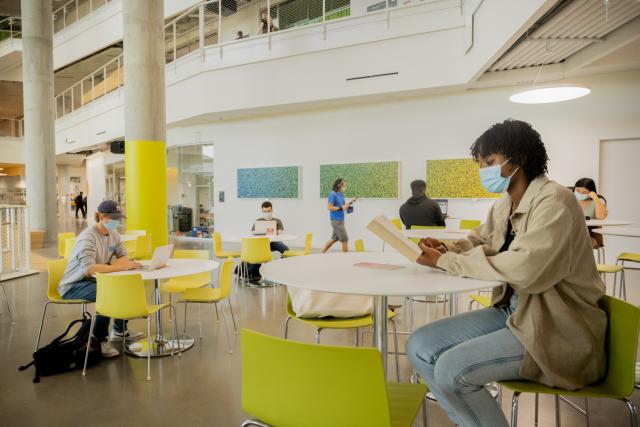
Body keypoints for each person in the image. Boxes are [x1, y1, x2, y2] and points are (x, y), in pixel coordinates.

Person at [406, 119, 606, 427]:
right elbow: (481, 239)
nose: (483, 171)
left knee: (451, 370)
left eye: (489, 162)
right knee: (418, 346)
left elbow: (524, 269)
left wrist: (445, 262)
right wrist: (448, 248)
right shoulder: (503, 204)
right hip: (512, 313)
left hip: (555, 328)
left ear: (518, 158)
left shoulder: (556, 201)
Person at [58, 200, 143, 358]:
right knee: (107, 293)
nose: (117, 222)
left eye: (119, 218)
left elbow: (124, 257)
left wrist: (121, 264)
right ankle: (99, 340)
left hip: (93, 279)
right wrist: (120, 266)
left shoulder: (114, 234)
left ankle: (120, 330)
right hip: (73, 285)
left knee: (121, 286)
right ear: (101, 216)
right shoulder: (88, 237)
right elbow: (90, 269)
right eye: (113, 218)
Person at [245, 201, 289, 282]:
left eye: (268, 211)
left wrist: (275, 231)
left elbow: (281, 233)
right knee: (256, 253)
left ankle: (284, 271)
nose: (267, 213)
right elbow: (252, 233)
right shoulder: (258, 221)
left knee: (285, 249)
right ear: (262, 211)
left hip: (274, 242)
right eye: (265, 211)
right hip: (261, 243)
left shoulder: (277, 220)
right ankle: (252, 273)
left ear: (272, 210)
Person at [322, 178, 355, 253]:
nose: (345, 186)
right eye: (343, 184)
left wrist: (350, 203)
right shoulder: (332, 194)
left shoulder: (341, 194)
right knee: (345, 239)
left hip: (341, 219)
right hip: (336, 220)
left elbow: (343, 206)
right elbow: (329, 207)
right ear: (339, 185)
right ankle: (346, 258)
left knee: (334, 239)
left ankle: (322, 253)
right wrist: (341, 208)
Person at [574, 177, 608, 248]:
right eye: (577, 191)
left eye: (584, 192)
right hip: (574, 232)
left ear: (591, 192)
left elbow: (601, 216)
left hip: (592, 236)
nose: (580, 193)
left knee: (574, 243)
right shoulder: (572, 200)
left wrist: (595, 197)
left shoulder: (598, 201)